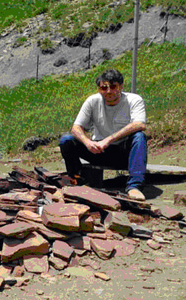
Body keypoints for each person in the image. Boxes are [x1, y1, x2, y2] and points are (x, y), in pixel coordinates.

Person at [59, 69, 148, 201]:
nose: (108, 91)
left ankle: (134, 187)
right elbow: (76, 128)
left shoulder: (134, 100)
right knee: (66, 140)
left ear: (121, 86)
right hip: (99, 151)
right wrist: (88, 143)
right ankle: (77, 180)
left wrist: (108, 140)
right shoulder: (92, 101)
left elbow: (140, 124)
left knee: (139, 137)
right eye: (104, 88)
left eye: (113, 87)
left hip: (124, 152)